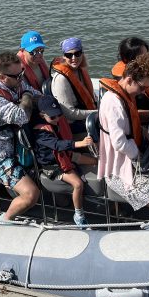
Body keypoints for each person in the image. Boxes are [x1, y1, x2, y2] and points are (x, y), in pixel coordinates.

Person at [97, 53, 149, 230]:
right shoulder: (113, 103)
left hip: (134, 162)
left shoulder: (125, 96)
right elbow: (120, 143)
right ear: (129, 80)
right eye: (142, 88)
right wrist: (139, 156)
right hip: (121, 172)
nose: (144, 92)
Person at [0, 52, 41, 222]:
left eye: (22, 74)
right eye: (18, 76)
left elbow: (34, 93)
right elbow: (22, 115)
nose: (21, 78)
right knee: (31, 194)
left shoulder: (12, 81)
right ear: (2, 77)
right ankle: (5, 220)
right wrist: (26, 95)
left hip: (12, 143)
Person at [32, 95, 93, 227]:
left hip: (66, 156)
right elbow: (57, 145)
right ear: (42, 115)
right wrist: (80, 143)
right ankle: (79, 215)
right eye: (52, 117)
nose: (57, 119)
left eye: (59, 115)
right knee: (78, 184)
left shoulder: (57, 123)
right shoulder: (41, 133)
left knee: (97, 161)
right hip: (53, 166)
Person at [111, 36, 149, 120]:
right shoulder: (126, 84)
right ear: (126, 59)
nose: (146, 60)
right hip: (148, 122)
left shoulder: (147, 72)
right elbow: (129, 113)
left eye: (147, 55)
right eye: (141, 57)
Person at [51, 37, 97, 135]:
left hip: (86, 115)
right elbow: (69, 113)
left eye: (77, 53)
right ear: (64, 56)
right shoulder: (61, 79)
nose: (74, 58)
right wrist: (97, 113)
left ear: (82, 53)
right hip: (72, 124)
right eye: (69, 55)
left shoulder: (81, 71)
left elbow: (92, 95)